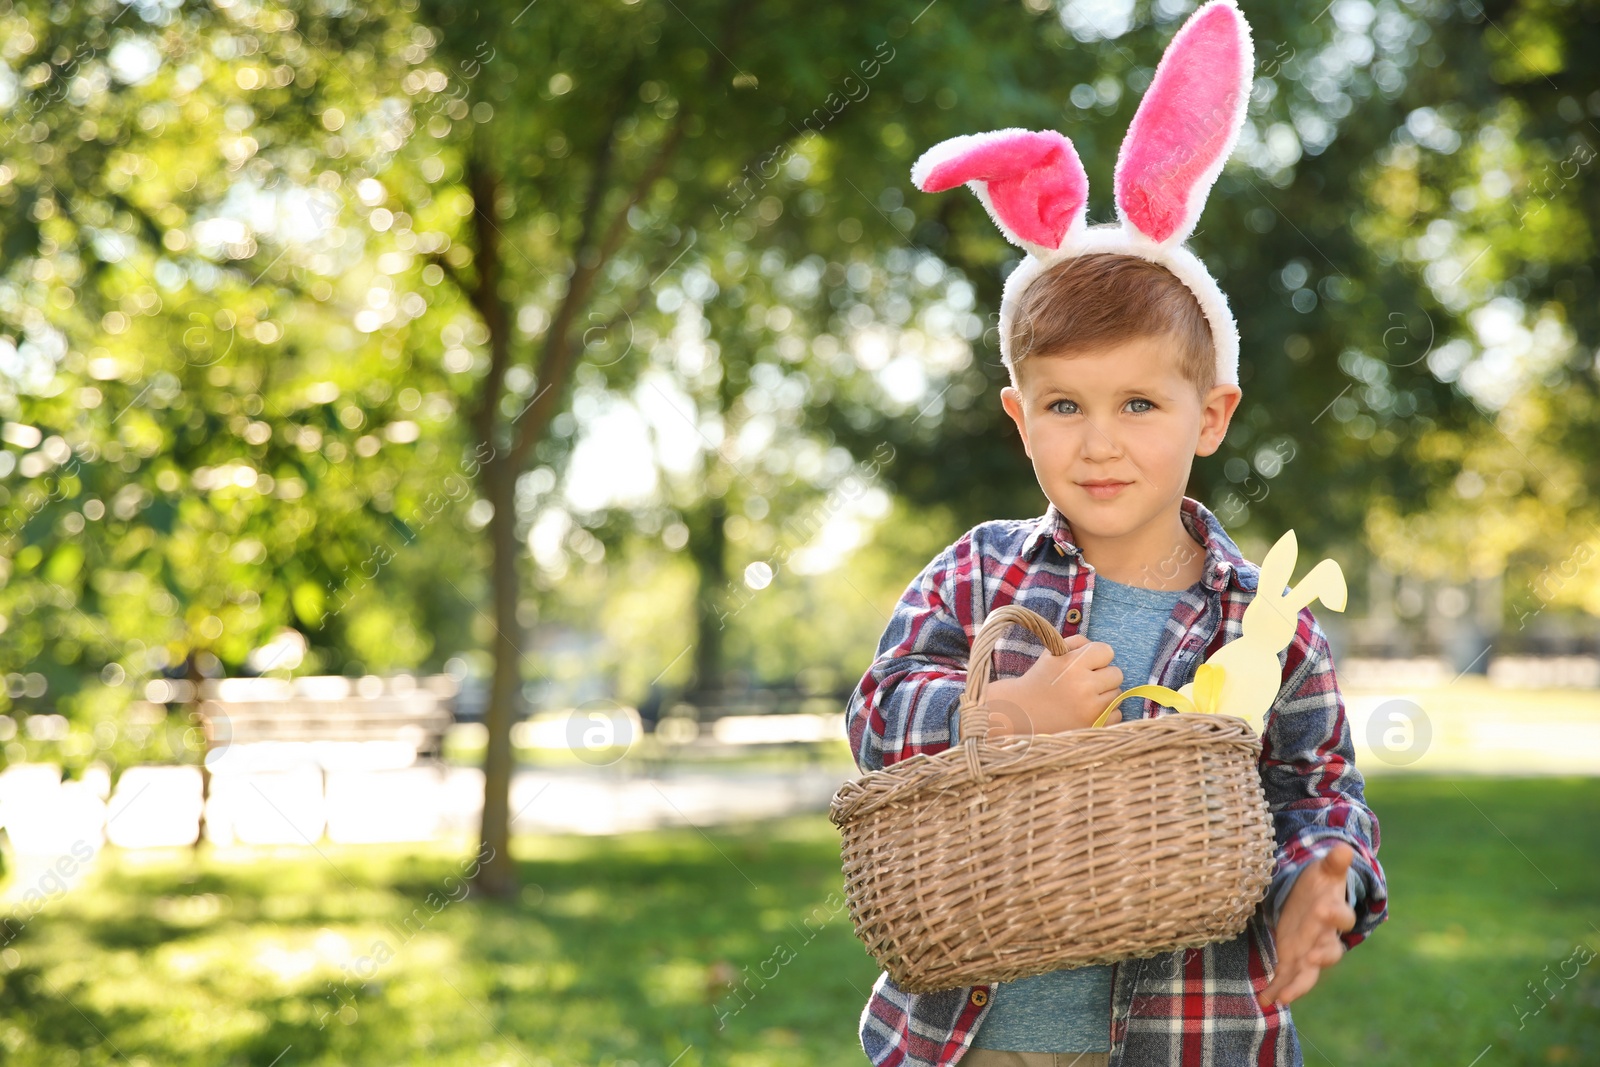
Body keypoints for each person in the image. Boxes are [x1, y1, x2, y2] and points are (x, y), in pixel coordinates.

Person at [842, 3, 1388, 1064]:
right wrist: (999, 715)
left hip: (1190, 1032)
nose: (1100, 444)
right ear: (1018, 416)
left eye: (1139, 405)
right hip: (971, 1034)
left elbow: (1317, 786)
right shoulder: (979, 573)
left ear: (1212, 415)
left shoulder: (1263, 622)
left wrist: (1326, 874)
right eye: (1063, 406)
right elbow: (874, 711)